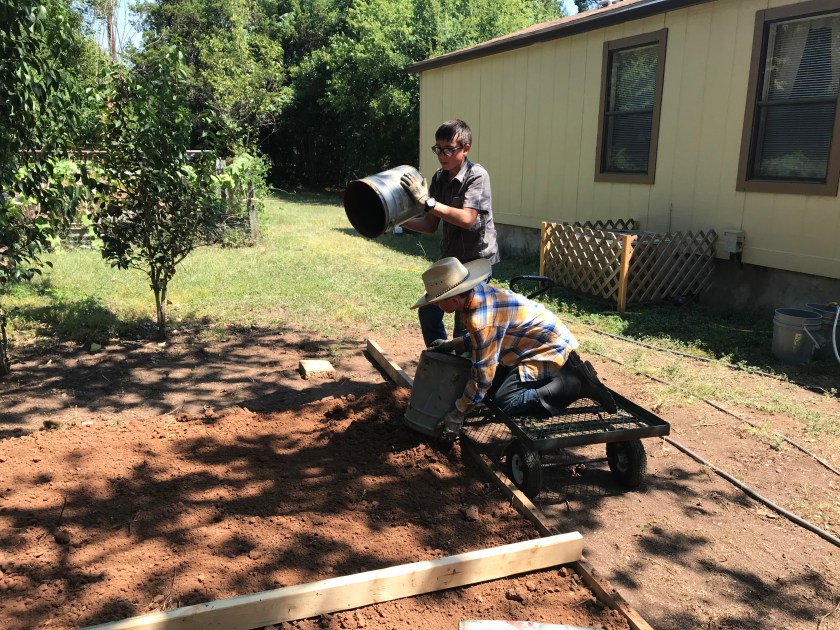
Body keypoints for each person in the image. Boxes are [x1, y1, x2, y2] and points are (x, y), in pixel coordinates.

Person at [412, 257, 617, 442]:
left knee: (505, 402)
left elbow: (482, 377)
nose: (436, 306)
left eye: (438, 302)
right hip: (531, 343)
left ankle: (573, 383)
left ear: (454, 300)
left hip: (548, 347)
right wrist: (451, 344)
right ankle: (562, 372)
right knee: (490, 392)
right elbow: (482, 339)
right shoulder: (477, 295)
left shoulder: (481, 319)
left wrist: (458, 412)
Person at [399, 119, 499, 347]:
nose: (442, 155)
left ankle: (463, 364)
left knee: (465, 322)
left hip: (476, 262)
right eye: (438, 149)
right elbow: (430, 224)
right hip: (451, 262)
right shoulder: (439, 178)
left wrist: (428, 201)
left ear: (465, 148)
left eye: (448, 149)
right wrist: (397, 221)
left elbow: (467, 219)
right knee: (428, 312)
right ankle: (441, 357)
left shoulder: (477, 176)